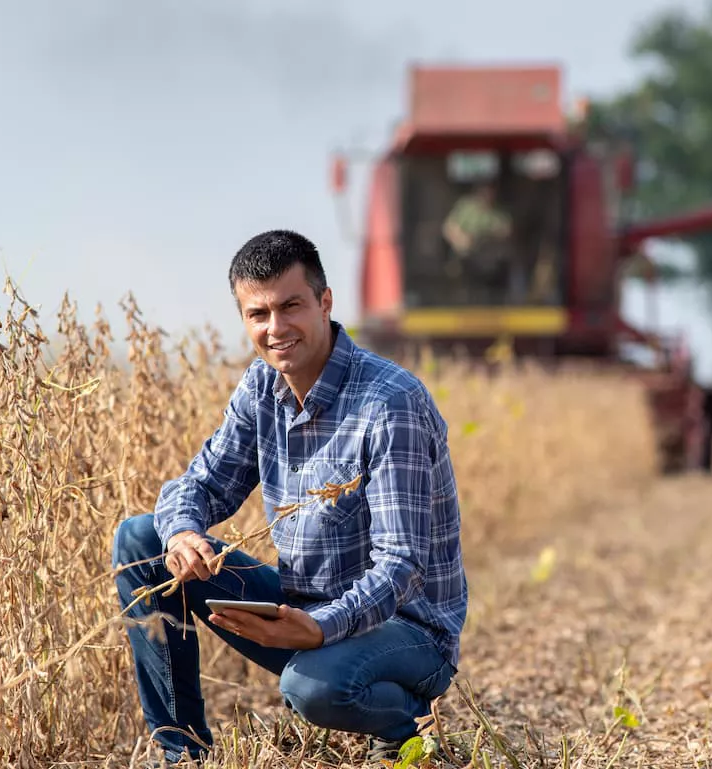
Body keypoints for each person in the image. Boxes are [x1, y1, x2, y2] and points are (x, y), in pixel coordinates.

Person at [112, 229, 468, 766]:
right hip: (301, 609)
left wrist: (322, 627)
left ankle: (407, 722)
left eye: (291, 306)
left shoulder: (390, 403)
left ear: (325, 303)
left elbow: (402, 567)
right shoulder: (261, 389)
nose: (275, 329)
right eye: (258, 314)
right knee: (142, 539)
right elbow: (200, 485)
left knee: (311, 688)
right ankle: (182, 753)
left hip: (406, 632)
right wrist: (184, 533)